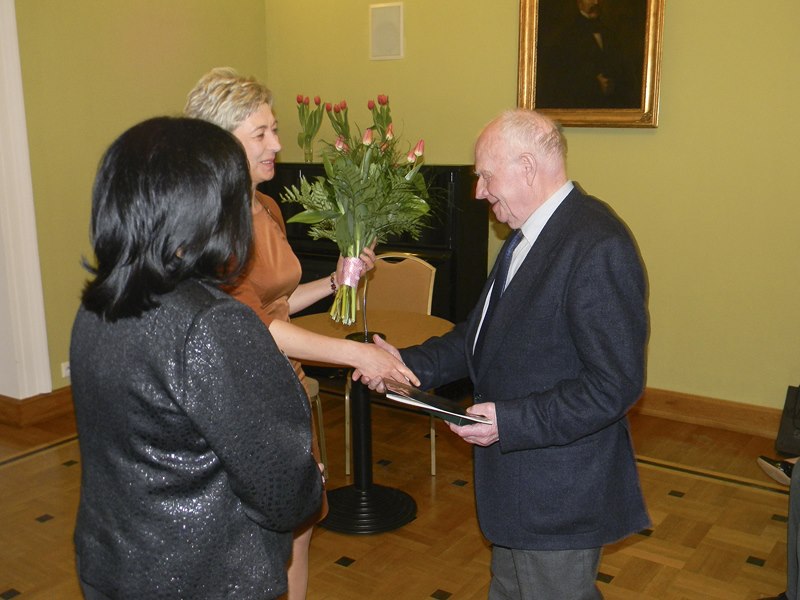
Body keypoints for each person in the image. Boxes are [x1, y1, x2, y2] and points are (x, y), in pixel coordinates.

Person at [359, 108, 650, 598]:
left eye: (486, 176)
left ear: (528, 168)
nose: (479, 191)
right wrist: (405, 364)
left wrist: (510, 422)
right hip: (517, 487)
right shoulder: (528, 236)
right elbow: (479, 338)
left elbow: (614, 385)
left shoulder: (597, 244)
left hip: (557, 495)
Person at [184, 67, 419, 600]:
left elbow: (276, 305)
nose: (277, 144)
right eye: (261, 133)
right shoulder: (209, 224)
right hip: (244, 400)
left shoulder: (265, 207)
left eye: (275, 129)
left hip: (284, 390)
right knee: (255, 546)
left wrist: (336, 281)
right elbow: (253, 328)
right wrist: (357, 355)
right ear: (221, 143)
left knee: (300, 529)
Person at [70, 117, 324, 599]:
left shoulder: (98, 305)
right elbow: (284, 494)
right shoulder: (211, 323)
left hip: (113, 563)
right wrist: (310, 479)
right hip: (205, 576)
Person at [536, 0, 641, 109]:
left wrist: (614, 83)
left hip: (610, 106)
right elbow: (562, 75)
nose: (596, 2)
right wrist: (595, 84)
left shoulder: (609, 33)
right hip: (580, 105)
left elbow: (622, 68)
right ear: (579, 2)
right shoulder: (567, 35)